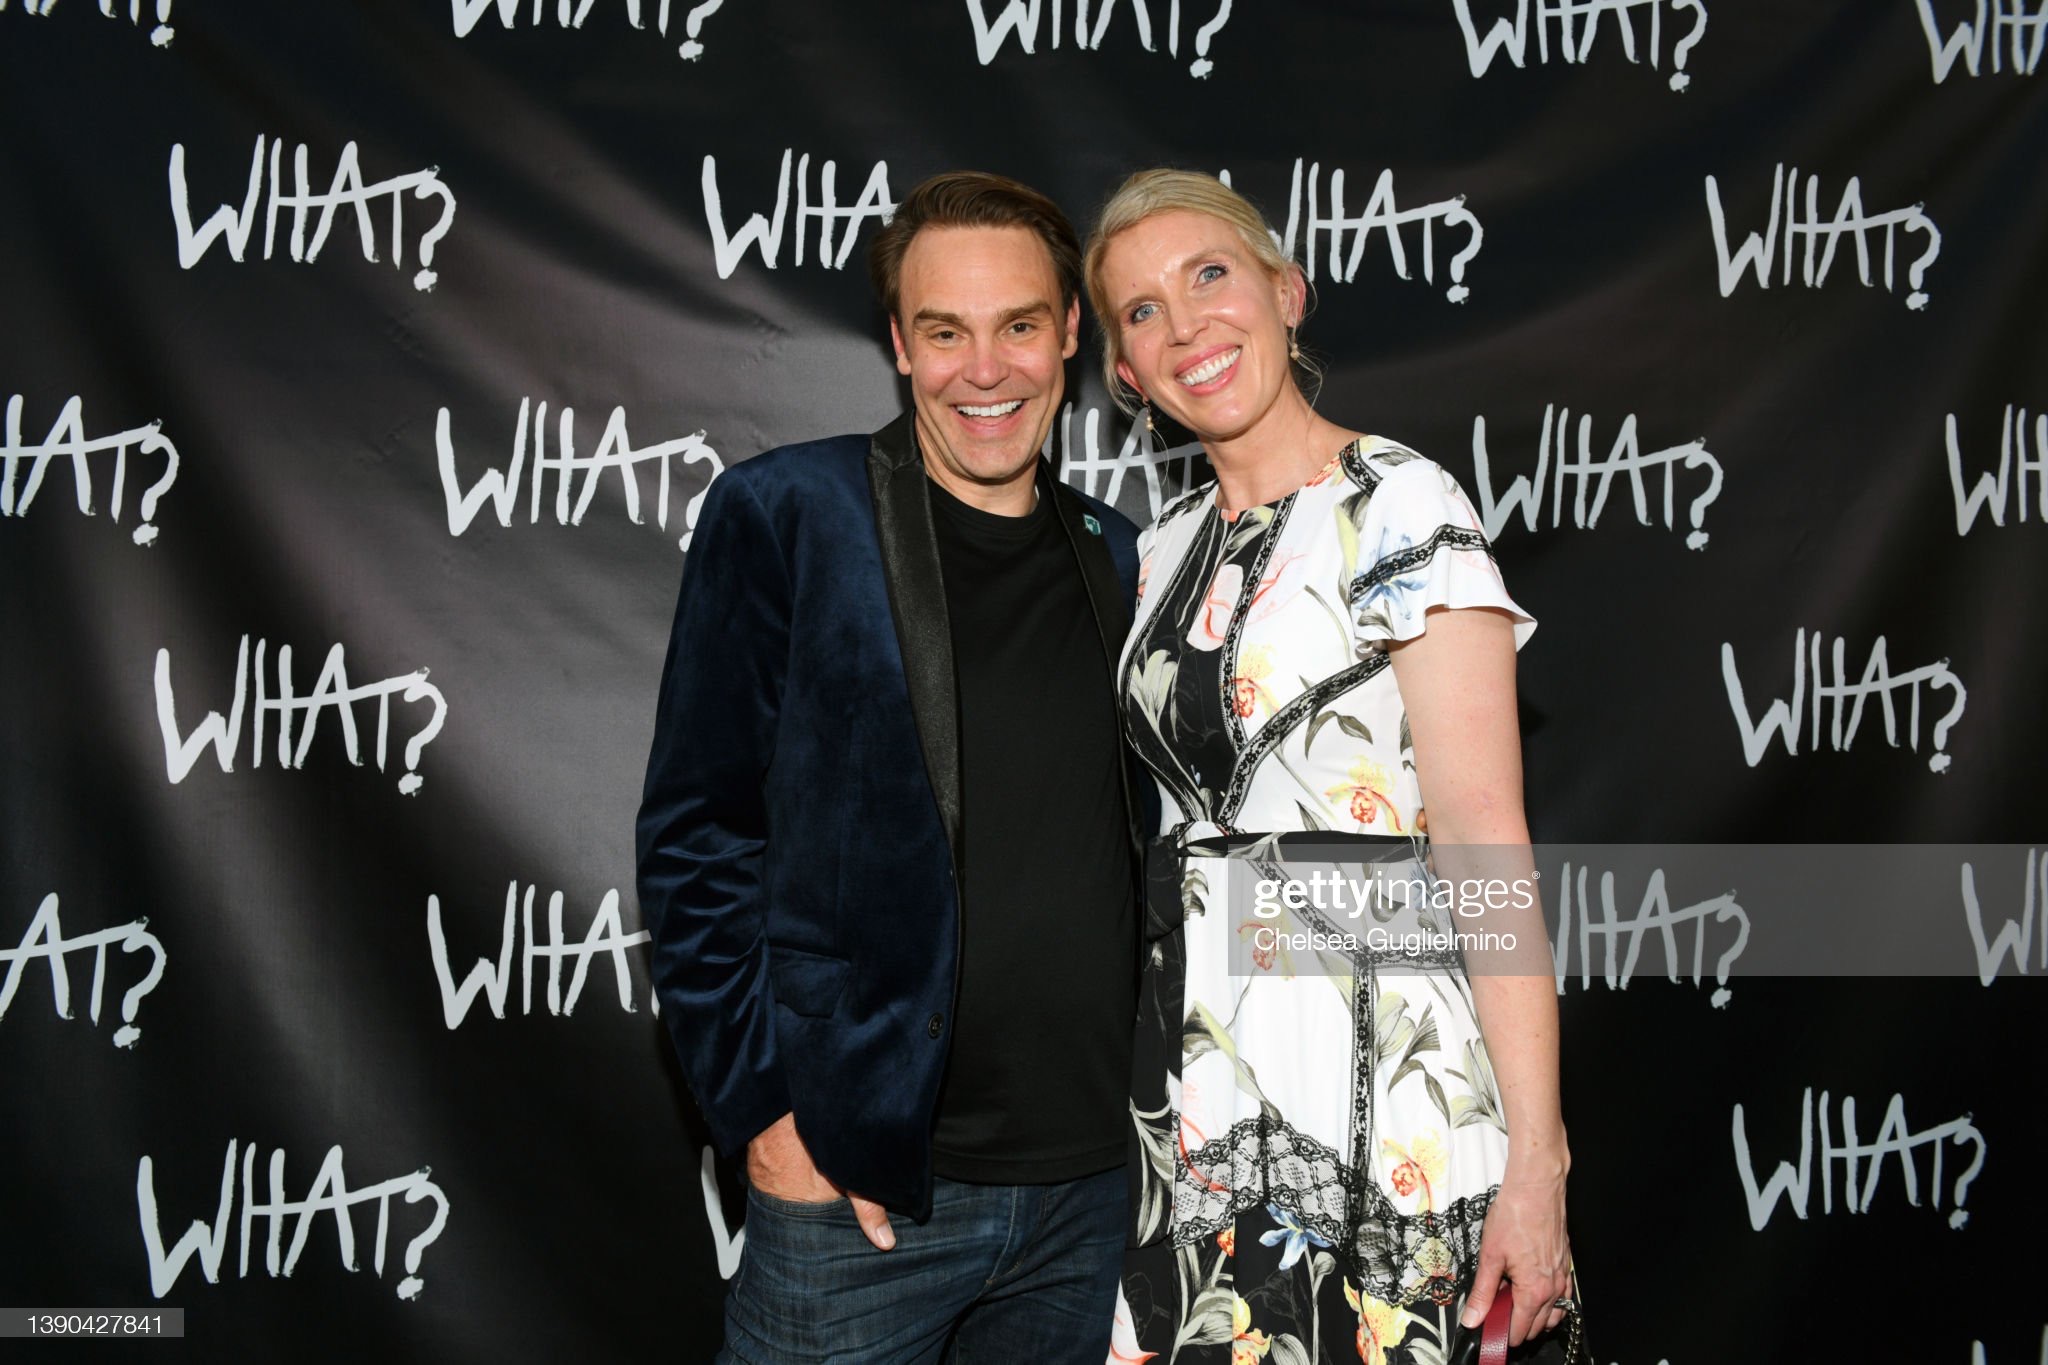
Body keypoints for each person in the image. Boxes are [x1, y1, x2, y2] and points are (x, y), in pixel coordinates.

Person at [635, 171, 1149, 1364]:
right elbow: (696, 834)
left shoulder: (1118, 556)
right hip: (863, 1194)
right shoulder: (787, 514)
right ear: (899, 348)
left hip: (1086, 1195)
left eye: (1019, 326)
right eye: (944, 331)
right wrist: (766, 1116)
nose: (986, 369)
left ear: (1069, 334)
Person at [1085, 169, 1579, 1362]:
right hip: (1196, 1097)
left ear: (1284, 292)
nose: (1185, 323)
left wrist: (1537, 1159)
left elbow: (1477, 833)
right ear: (1123, 375)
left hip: (1385, 1093)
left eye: (1209, 274)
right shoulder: (1155, 555)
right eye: (1140, 310)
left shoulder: (1400, 505)